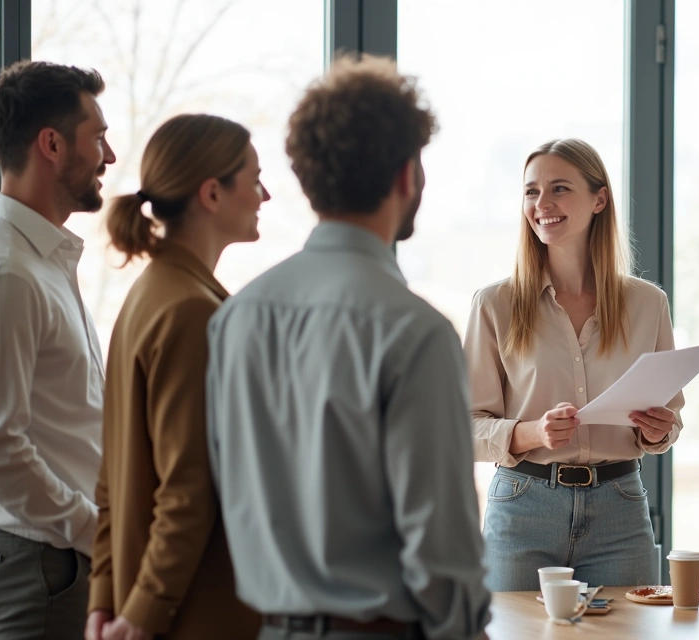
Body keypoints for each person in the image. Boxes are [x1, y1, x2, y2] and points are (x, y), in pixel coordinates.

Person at [206, 56, 491, 640]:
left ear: (309, 181)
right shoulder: (416, 333)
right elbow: (442, 554)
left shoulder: (236, 318)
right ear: (408, 176)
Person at [466, 138, 683, 591]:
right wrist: (532, 432)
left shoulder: (648, 304)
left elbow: (669, 421)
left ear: (599, 198)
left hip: (620, 509)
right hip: (522, 508)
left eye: (559, 188)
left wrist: (657, 430)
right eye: (531, 191)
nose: (542, 204)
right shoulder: (495, 304)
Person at [86, 114, 268, 640]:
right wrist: (144, 612)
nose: (266, 196)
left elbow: (111, 478)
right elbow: (188, 490)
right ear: (212, 193)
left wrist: (106, 597)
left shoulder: (150, 293)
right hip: (195, 612)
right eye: (255, 179)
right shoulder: (193, 312)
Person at [0, 60, 116, 638]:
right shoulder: (8, 272)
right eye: (98, 137)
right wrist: (93, 531)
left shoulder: (42, 262)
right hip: (41, 565)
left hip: (57, 559)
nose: (108, 157)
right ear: (51, 144)